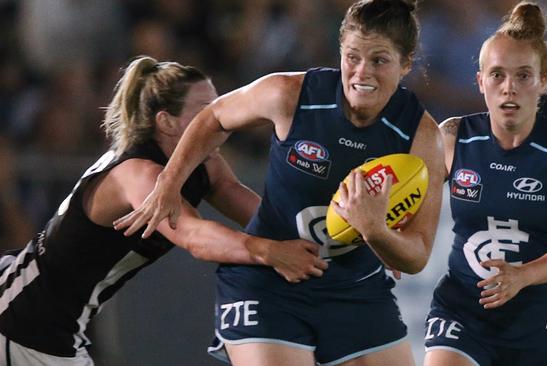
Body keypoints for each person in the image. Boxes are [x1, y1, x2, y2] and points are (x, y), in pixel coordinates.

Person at [114, 0, 446, 364]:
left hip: (356, 289)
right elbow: (214, 117)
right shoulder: (291, 94)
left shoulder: (421, 135)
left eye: (379, 60)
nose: (361, 73)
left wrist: (377, 231)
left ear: (406, 64)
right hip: (269, 280)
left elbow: (417, 255)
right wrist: (168, 184)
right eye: (352, 56)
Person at [0, 56, 328, 366]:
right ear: (166, 122)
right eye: (205, 108)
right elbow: (194, 235)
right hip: (25, 319)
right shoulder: (138, 173)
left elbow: (258, 211)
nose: (219, 115)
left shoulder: (206, 162)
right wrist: (271, 252)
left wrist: (326, 234)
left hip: (48, 319)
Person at [423, 2, 547, 366]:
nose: (509, 89)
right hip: (463, 310)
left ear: (544, 81)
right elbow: (411, 200)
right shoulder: (454, 136)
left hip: (540, 321)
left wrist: (522, 276)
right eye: (497, 75)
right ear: (480, 81)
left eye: (523, 76)